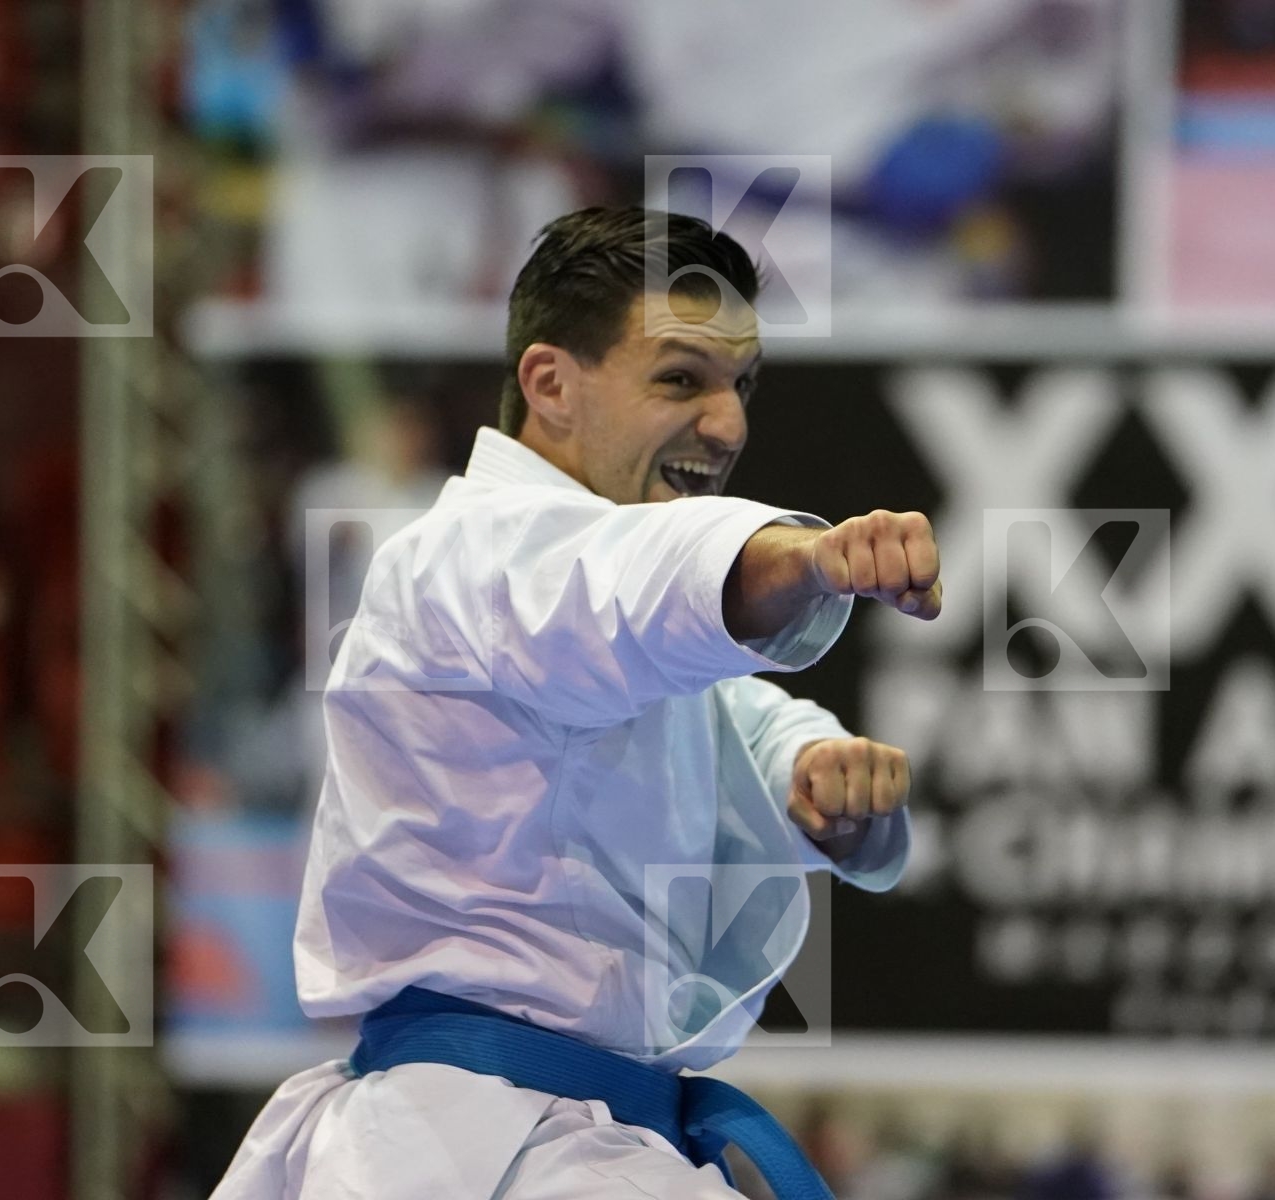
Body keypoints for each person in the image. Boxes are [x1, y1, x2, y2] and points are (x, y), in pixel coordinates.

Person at [209, 206, 941, 1199]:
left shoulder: (632, 641)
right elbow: (627, 585)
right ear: (550, 383)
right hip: (484, 1145)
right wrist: (808, 557)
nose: (728, 425)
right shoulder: (465, 561)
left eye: (741, 386)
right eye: (682, 379)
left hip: (558, 1140)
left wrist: (830, 792)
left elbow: (754, 729)